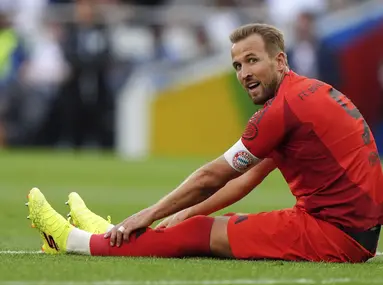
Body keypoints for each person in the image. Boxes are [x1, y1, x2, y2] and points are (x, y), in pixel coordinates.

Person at [26, 23, 383, 263]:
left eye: (252, 61)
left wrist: (150, 213)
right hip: (350, 228)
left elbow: (214, 175)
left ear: (280, 60)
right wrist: (182, 213)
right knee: (208, 224)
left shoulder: (283, 111)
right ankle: (110, 233)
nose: (244, 74)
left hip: (336, 234)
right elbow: (246, 178)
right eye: (237, 65)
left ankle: (71, 241)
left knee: (202, 232)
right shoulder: (305, 94)